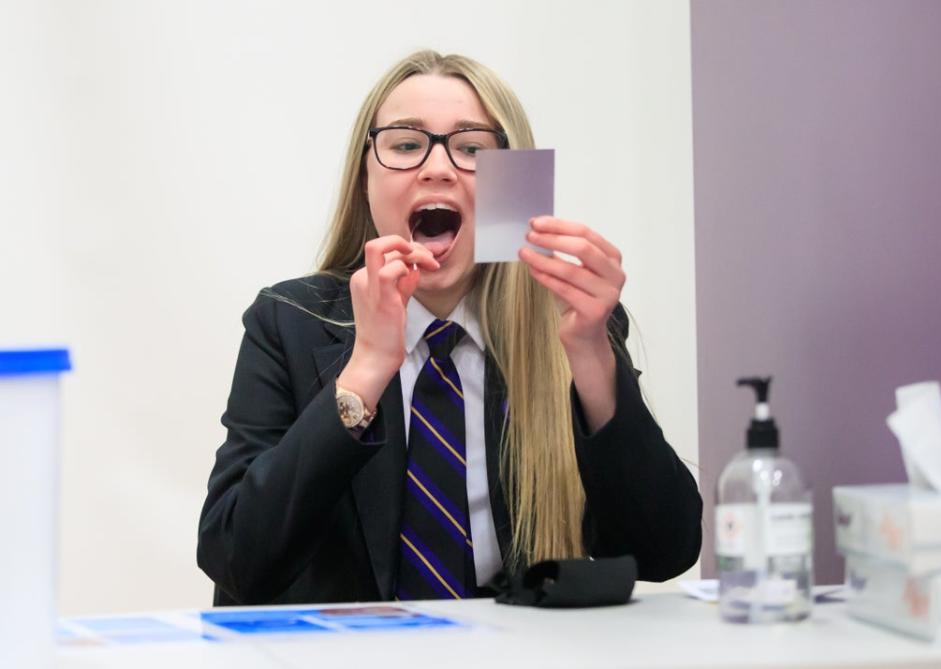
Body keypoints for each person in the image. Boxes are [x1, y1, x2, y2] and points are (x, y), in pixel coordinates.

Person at [197, 50, 702, 606]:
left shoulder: (569, 327)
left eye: (472, 149)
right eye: (407, 145)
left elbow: (665, 551)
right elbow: (235, 557)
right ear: (366, 178)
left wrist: (592, 364)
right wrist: (364, 372)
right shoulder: (289, 322)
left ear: (515, 187)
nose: (437, 168)